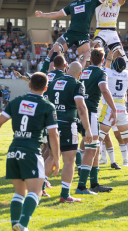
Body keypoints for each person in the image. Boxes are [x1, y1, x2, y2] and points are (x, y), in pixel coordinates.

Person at [0, 72, 60, 231]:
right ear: (46, 88)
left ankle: (15, 226)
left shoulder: (16, 102)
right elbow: (53, 134)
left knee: (19, 193)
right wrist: (56, 157)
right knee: (36, 191)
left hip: (13, 150)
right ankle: (23, 225)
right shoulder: (47, 106)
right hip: (31, 151)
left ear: (29, 85)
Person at [35, 0, 127, 69]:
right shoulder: (72, 4)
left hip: (83, 36)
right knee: (53, 51)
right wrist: (43, 14)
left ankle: (83, 81)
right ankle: (41, 75)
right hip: (70, 33)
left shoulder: (91, 1)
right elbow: (58, 14)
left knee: (86, 63)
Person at [45, 61, 92, 202]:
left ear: (66, 69)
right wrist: (87, 130)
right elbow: (81, 108)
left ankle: (40, 188)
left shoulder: (53, 83)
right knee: (69, 160)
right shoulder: (77, 84)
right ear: (80, 74)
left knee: (52, 156)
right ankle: (65, 195)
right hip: (67, 124)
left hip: (52, 124)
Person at [76, 48, 117, 194]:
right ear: (103, 58)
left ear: (91, 59)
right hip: (90, 112)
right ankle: (81, 186)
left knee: (96, 147)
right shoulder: (101, 73)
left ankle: (94, 184)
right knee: (92, 148)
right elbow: (104, 90)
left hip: (79, 111)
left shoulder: (84, 71)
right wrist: (114, 108)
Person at [98, 52, 128, 174]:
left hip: (109, 109)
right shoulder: (127, 75)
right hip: (122, 110)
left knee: (99, 139)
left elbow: (107, 64)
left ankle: (94, 165)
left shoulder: (108, 73)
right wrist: (122, 52)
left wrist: (110, 54)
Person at [93, 0, 128, 67]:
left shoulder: (116, 1)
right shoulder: (99, 1)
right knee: (97, 50)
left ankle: (117, 73)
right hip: (101, 31)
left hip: (112, 32)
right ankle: (97, 69)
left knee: (119, 54)